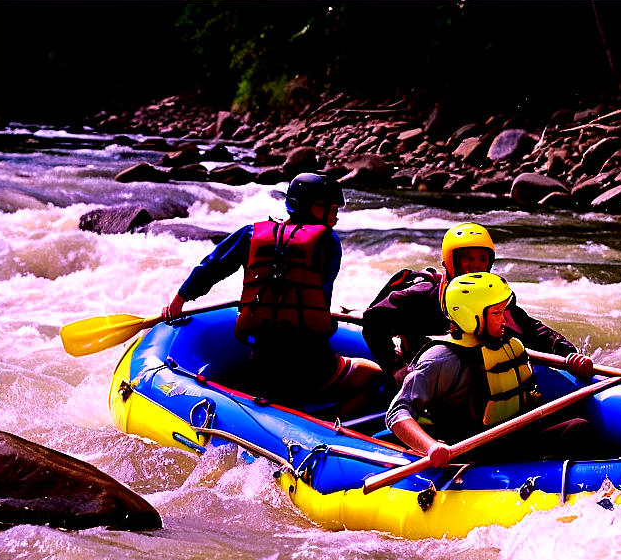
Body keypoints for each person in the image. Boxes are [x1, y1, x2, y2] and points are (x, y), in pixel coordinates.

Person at [162, 172, 381, 418]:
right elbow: (319, 295)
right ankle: (330, 426)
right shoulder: (328, 242)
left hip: (262, 364)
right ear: (313, 208)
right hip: (313, 366)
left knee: (264, 367)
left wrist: (180, 298)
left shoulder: (251, 234)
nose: (336, 218)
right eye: (330, 210)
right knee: (372, 374)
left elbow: (213, 266)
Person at [385, 272, 595, 468]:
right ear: (470, 316)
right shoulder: (440, 358)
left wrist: (574, 361)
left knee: (577, 429)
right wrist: (431, 447)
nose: (505, 320)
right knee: (577, 429)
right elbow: (396, 413)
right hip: (476, 454)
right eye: (497, 313)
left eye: (504, 311)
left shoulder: (504, 343)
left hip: (513, 439)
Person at [362, 221, 593, 385]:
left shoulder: (491, 297)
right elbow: (373, 319)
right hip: (426, 378)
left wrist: (568, 354)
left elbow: (530, 328)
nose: (476, 266)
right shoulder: (424, 294)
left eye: (482, 259)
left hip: (470, 376)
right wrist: (395, 367)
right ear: (452, 260)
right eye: (468, 259)